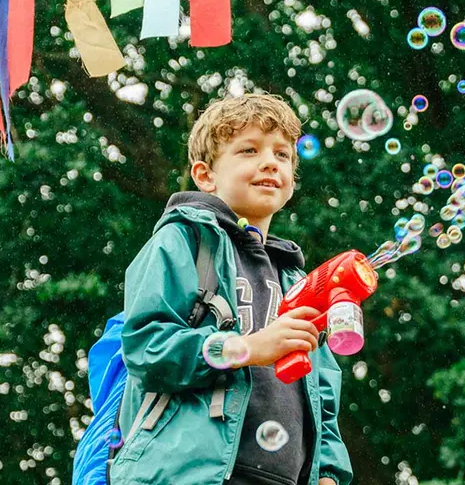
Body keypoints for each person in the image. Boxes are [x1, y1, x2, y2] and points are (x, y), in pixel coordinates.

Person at [109, 93, 353, 485]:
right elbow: (146, 347)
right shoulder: (184, 240)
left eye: (283, 155)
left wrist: (328, 473)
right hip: (188, 475)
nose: (270, 162)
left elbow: (324, 391)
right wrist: (248, 349)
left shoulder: (297, 281)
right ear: (205, 175)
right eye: (249, 150)